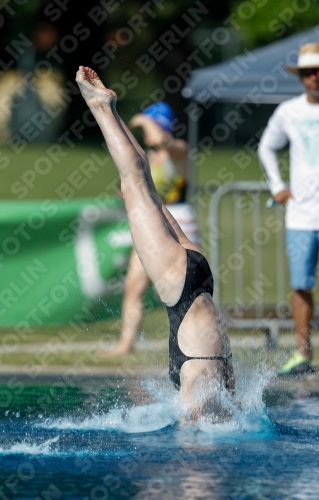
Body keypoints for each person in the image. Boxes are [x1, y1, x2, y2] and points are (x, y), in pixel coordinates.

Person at [75, 66, 234, 422]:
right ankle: (102, 109)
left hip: (200, 282)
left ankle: (106, 110)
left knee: (139, 183)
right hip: (185, 292)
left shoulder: (177, 150)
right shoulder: (201, 392)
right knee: (135, 182)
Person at [98, 101, 201, 357]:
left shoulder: (179, 151)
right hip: (152, 223)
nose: (146, 131)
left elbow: (163, 140)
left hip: (180, 224)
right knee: (133, 284)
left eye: (149, 124)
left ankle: (198, 343)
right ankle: (126, 342)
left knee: (190, 292)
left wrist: (143, 120)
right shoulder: (150, 157)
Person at [258, 42, 319, 376]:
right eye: (306, 72)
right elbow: (266, 147)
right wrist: (277, 186)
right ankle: (303, 354)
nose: (313, 77)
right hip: (300, 216)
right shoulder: (289, 111)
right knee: (301, 285)